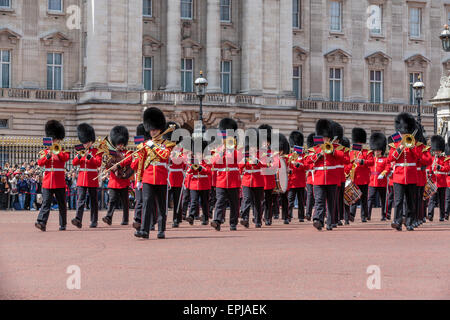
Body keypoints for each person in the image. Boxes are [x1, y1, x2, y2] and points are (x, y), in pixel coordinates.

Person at [135, 107, 175, 239]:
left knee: (161, 205)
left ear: (160, 129)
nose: (153, 132)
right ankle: (144, 230)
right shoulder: (145, 144)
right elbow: (141, 163)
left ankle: (161, 230)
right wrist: (139, 179)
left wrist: (152, 146)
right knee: (147, 203)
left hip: (161, 177)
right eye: (151, 130)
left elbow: (164, 156)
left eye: (155, 130)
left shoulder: (167, 144)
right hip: (147, 177)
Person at [305, 119, 345, 231]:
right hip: (318, 179)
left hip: (332, 179)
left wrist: (332, 152)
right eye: (323, 137)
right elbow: (307, 162)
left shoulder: (335, 148)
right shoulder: (315, 149)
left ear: (329, 138)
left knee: (331, 202)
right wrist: (318, 155)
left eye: (326, 137)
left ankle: (330, 222)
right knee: (319, 201)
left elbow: (342, 157)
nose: (324, 139)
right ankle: (318, 220)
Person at [388, 112, 423, 231]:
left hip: (411, 175)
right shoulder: (395, 144)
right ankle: (397, 221)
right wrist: (399, 148)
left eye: (405, 133)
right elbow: (391, 158)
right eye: (402, 133)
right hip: (399, 175)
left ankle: (409, 222)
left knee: (410, 201)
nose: (404, 135)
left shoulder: (414, 144)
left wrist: (411, 147)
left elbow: (419, 157)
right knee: (398, 201)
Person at [35, 120, 70, 232]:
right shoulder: (44, 152)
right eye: (52, 138)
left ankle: (63, 224)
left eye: (55, 139)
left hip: (59, 181)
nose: (54, 140)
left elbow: (65, 158)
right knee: (46, 203)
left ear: (58, 139)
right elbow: (40, 163)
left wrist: (56, 151)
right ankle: (41, 222)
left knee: (62, 204)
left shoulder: (62, 150)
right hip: (48, 181)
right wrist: (49, 155)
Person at [210, 118, 243, 231]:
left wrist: (231, 150)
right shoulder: (218, 149)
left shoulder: (236, 149)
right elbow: (213, 162)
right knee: (220, 201)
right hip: (221, 179)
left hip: (233, 179)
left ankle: (233, 223)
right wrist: (222, 151)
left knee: (234, 203)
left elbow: (240, 160)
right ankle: (217, 221)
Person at [72, 123, 103, 229]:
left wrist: (89, 157)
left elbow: (98, 163)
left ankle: (94, 221)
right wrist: (79, 155)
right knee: (80, 200)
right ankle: (78, 219)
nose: (85, 144)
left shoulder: (96, 152)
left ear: (91, 141)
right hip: (82, 179)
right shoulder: (80, 151)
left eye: (87, 142)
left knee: (93, 201)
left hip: (92, 178)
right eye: (84, 143)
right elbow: (74, 163)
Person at [103, 126, 133, 226]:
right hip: (114, 180)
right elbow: (108, 165)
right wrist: (107, 163)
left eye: (121, 144)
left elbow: (128, 160)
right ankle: (109, 217)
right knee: (112, 200)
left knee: (125, 202)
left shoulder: (127, 153)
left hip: (123, 180)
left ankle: (125, 219)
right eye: (118, 144)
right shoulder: (112, 153)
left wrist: (119, 164)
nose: (119, 145)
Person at [239, 128, 265, 228]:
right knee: (247, 199)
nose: (252, 148)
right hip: (247, 180)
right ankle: (245, 219)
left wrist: (258, 162)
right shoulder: (244, 155)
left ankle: (258, 220)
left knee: (258, 202)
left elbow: (267, 164)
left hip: (258, 180)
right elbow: (239, 167)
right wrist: (244, 162)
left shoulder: (262, 154)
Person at [349, 128, 374, 222]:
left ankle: (364, 216)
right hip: (354, 178)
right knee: (353, 198)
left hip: (363, 178)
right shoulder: (351, 153)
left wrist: (362, 161)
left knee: (363, 199)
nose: (358, 144)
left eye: (360, 143)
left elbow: (371, 162)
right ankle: (352, 214)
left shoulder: (367, 152)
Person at [186, 139, 211, 226]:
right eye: (197, 154)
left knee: (204, 202)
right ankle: (191, 216)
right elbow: (188, 171)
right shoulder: (193, 162)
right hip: (194, 184)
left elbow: (209, 171)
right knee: (193, 201)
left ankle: (205, 218)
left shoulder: (207, 162)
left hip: (204, 184)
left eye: (200, 153)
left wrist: (201, 169)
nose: (199, 155)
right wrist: (192, 168)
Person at [131, 123, 150, 231]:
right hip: (139, 179)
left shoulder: (150, 150)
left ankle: (150, 221)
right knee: (139, 200)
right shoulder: (138, 151)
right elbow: (133, 165)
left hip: (148, 177)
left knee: (148, 201)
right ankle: (137, 220)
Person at [427, 135, 450, 222]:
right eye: (435, 150)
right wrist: (430, 172)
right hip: (434, 182)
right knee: (432, 199)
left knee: (442, 200)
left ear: (441, 150)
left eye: (438, 150)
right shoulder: (432, 159)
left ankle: (442, 216)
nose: (436, 152)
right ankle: (430, 214)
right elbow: (429, 168)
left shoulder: (445, 159)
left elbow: (447, 168)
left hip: (442, 182)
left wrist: (440, 167)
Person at [367, 132, 390, 221]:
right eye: (375, 150)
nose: (377, 152)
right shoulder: (371, 159)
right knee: (370, 199)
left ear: (381, 150)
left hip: (382, 182)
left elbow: (388, 168)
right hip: (372, 181)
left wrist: (383, 173)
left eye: (378, 150)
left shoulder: (385, 159)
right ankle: (368, 215)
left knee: (383, 199)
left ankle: (383, 216)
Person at [287, 130, 306, 223]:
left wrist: (298, 164)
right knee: (290, 200)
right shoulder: (290, 156)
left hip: (301, 181)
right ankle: (288, 216)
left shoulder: (303, 156)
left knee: (301, 201)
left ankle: (301, 216)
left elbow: (306, 166)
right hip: (292, 181)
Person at [304, 133, 315, 221]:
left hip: (319, 177)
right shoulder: (309, 154)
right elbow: (306, 165)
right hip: (310, 178)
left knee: (319, 198)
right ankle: (308, 213)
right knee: (310, 196)